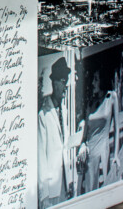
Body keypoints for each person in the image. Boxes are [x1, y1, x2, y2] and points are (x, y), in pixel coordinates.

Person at [38, 57, 77, 208]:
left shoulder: (64, 111)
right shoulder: (43, 115)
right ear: (54, 83)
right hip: (51, 190)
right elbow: (41, 157)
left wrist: (71, 179)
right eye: (63, 81)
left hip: (66, 184)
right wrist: (44, 195)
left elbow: (64, 147)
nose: (66, 86)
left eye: (66, 81)